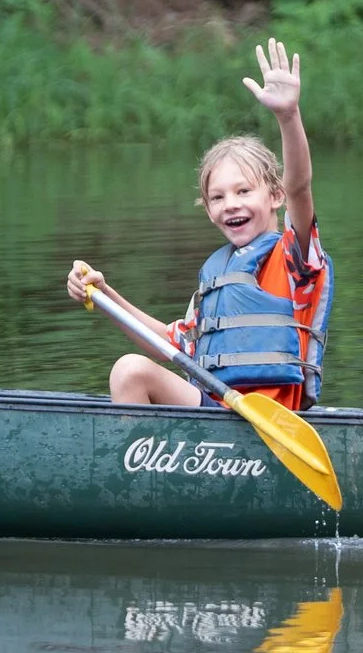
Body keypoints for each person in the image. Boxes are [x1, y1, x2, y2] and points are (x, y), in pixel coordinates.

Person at [66, 39, 331, 409]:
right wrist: (103, 292)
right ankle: (139, 463)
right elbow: (166, 342)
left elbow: (300, 187)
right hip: (217, 416)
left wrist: (288, 117)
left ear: (275, 196)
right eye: (218, 197)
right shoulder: (216, 281)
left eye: (243, 191)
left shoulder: (294, 258)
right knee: (130, 371)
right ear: (208, 210)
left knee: (130, 370)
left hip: (277, 423)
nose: (231, 205)